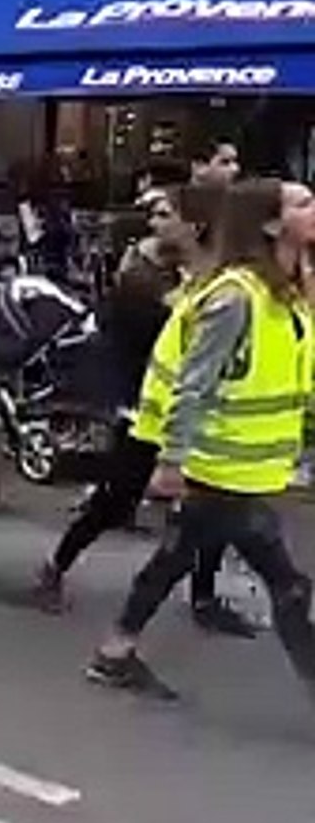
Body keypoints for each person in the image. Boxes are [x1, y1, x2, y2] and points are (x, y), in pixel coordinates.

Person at [87, 178, 315, 700]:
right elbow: (194, 381)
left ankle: (115, 651)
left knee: (175, 556)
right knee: (288, 583)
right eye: (302, 203)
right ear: (271, 224)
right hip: (218, 465)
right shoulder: (237, 297)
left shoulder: (289, 290)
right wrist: (172, 460)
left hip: (245, 464)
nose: (314, 207)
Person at [34, 183, 252, 633]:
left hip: (199, 409)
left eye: (165, 214)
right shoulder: (142, 273)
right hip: (146, 406)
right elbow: (133, 337)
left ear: (194, 225)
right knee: (117, 497)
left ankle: (204, 597)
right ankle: (55, 567)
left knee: (213, 507)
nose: (155, 222)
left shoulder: (216, 277)